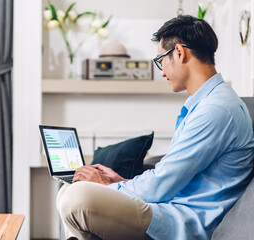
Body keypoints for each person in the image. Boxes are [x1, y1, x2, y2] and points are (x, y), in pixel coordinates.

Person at [56, 15, 254, 240]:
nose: (161, 72)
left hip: (180, 222)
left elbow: (162, 184)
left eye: (161, 60)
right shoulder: (208, 103)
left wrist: (104, 186)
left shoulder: (217, 110)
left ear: (179, 52)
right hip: (169, 208)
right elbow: (170, 175)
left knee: (77, 197)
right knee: (70, 190)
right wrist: (120, 182)